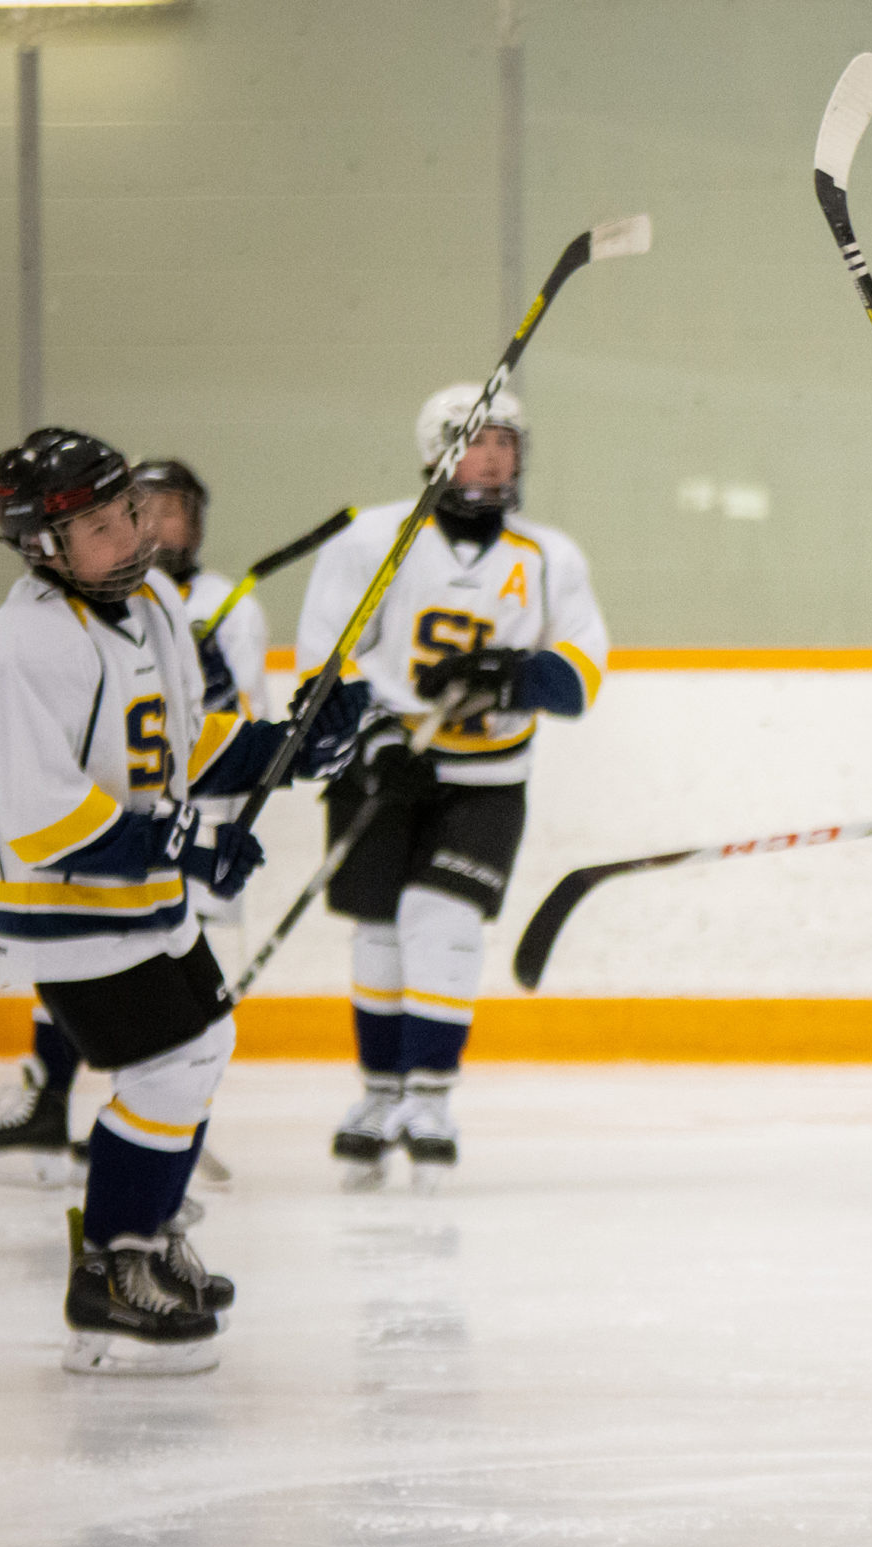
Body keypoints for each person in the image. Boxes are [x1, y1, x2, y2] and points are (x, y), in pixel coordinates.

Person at [0, 427, 364, 1371]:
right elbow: (46, 823)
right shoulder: (19, 648)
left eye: (130, 512)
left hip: (139, 893)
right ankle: (113, 1270)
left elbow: (180, 747)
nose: (132, 537)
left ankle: (146, 1238)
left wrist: (291, 745)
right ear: (43, 547)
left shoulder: (152, 605)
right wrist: (187, 845)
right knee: (167, 1065)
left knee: (202, 1048)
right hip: (64, 907)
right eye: (102, 527)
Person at [296, 384, 607, 1191]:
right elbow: (324, 657)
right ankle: (380, 1094)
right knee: (379, 933)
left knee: (442, 922)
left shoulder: (549, 557)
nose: (495, 459)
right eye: (476, 443)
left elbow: (581, 676)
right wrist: (374, 738)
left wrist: (514, 676)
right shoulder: (375, 540)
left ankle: (430, 1100)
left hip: (487, 780)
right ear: (437, 451)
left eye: (506, 443)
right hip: (383, 766)